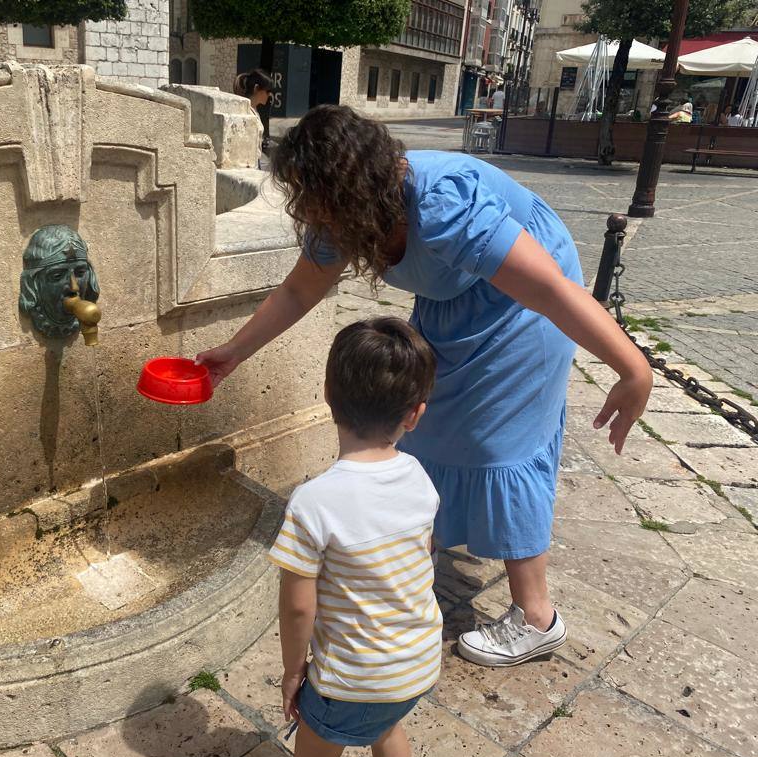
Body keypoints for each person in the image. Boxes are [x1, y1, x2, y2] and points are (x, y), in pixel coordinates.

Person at [197, 105, 652, 667]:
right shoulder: (340, 220)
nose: (305, 212)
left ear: (349, 189)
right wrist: (232, 355)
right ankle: (414, 565)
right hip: (455, 300)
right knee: (424, 423)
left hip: (525, 303)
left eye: (312, 198)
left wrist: (633, 367)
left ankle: (537, 618)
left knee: (498, 443)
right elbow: (298, 292)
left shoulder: (443, 208)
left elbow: (553, 293)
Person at [269, 317, 440, 757]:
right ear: (415, 414)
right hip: (417, 662)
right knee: (386, 727)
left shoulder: (312, 504)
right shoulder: (419, 479)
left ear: (327, 394)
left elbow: (299, 607)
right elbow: (422, 558)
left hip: (352, 679)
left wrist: (292, 674)